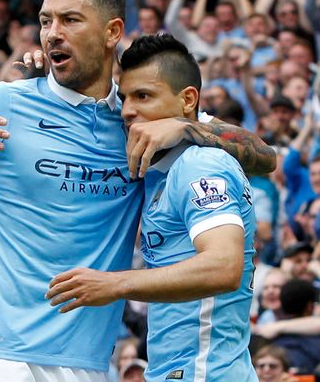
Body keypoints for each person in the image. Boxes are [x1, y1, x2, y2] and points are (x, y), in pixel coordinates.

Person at [0, 0, 275, 381]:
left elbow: (263, 157)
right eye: (45, 20)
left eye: (70, 20)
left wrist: (187, 127)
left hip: (89, 360)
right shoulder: (4, 104)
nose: (52, 33)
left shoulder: (137, 113)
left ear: (112, 32)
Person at [47, 34, 258, 381]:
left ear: (187, 100)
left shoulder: (199, 165)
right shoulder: (159, 169)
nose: (128, 110)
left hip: (206, 373)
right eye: (125, 96)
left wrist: (115, 285)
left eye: (144, 96)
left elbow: (224, 266)